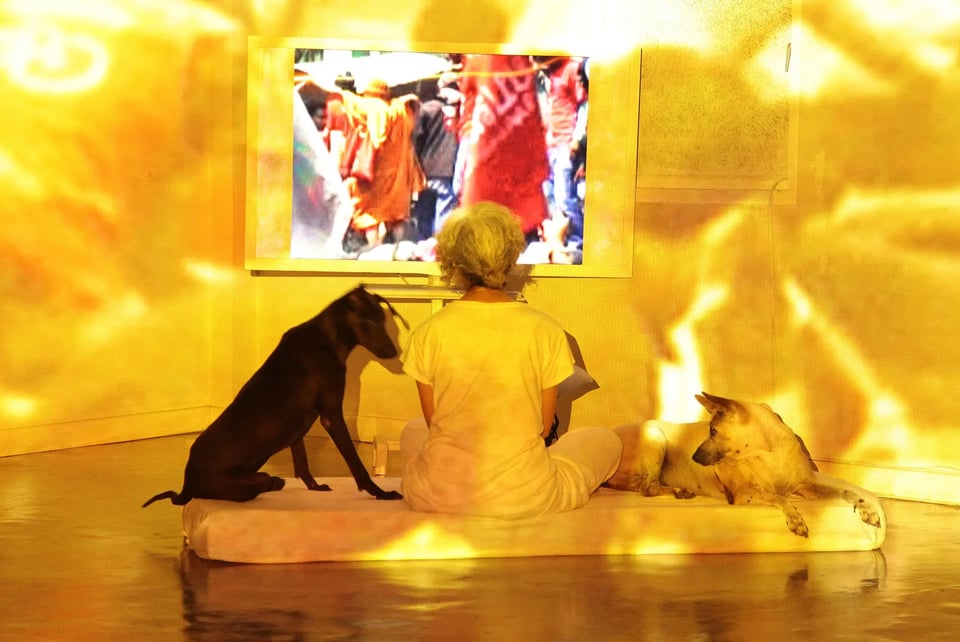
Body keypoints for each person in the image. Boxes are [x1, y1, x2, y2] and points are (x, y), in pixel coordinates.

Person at [399, 202, 622, 518]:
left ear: (453, 262)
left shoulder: (427, 333)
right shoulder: (545, 331)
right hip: (526, 496)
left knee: (412, 431)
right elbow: (544, 429)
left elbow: (434, 423)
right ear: (510, 258)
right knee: (604, 440)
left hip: (440, 494)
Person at [310, 76, 425, 248]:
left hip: (375, 174)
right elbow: (412, 108)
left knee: (370, 214)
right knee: (396, 215)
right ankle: (399, 246)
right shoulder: (399, 110)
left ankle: (374, 248)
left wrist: (316, 82)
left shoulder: (370, 107)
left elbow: (351, 102)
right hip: (399, 176)